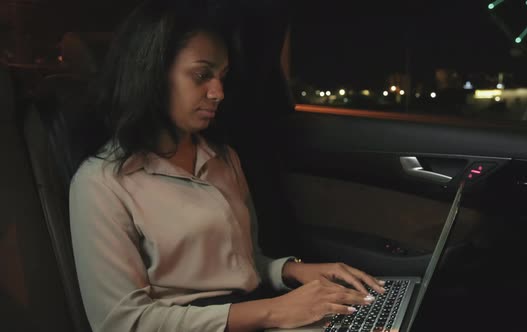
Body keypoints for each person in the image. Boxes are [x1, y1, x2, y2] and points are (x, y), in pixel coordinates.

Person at [69, 1, 385, 331]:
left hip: (256, 315)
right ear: (152, 72)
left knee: (382, 318)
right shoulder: (101, 183)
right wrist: (274, 311)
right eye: (202, 75)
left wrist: (293, 270)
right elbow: (122, 322)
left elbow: (243, 266)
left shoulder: (222, 157)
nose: (218, 92)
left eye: (222, 77)